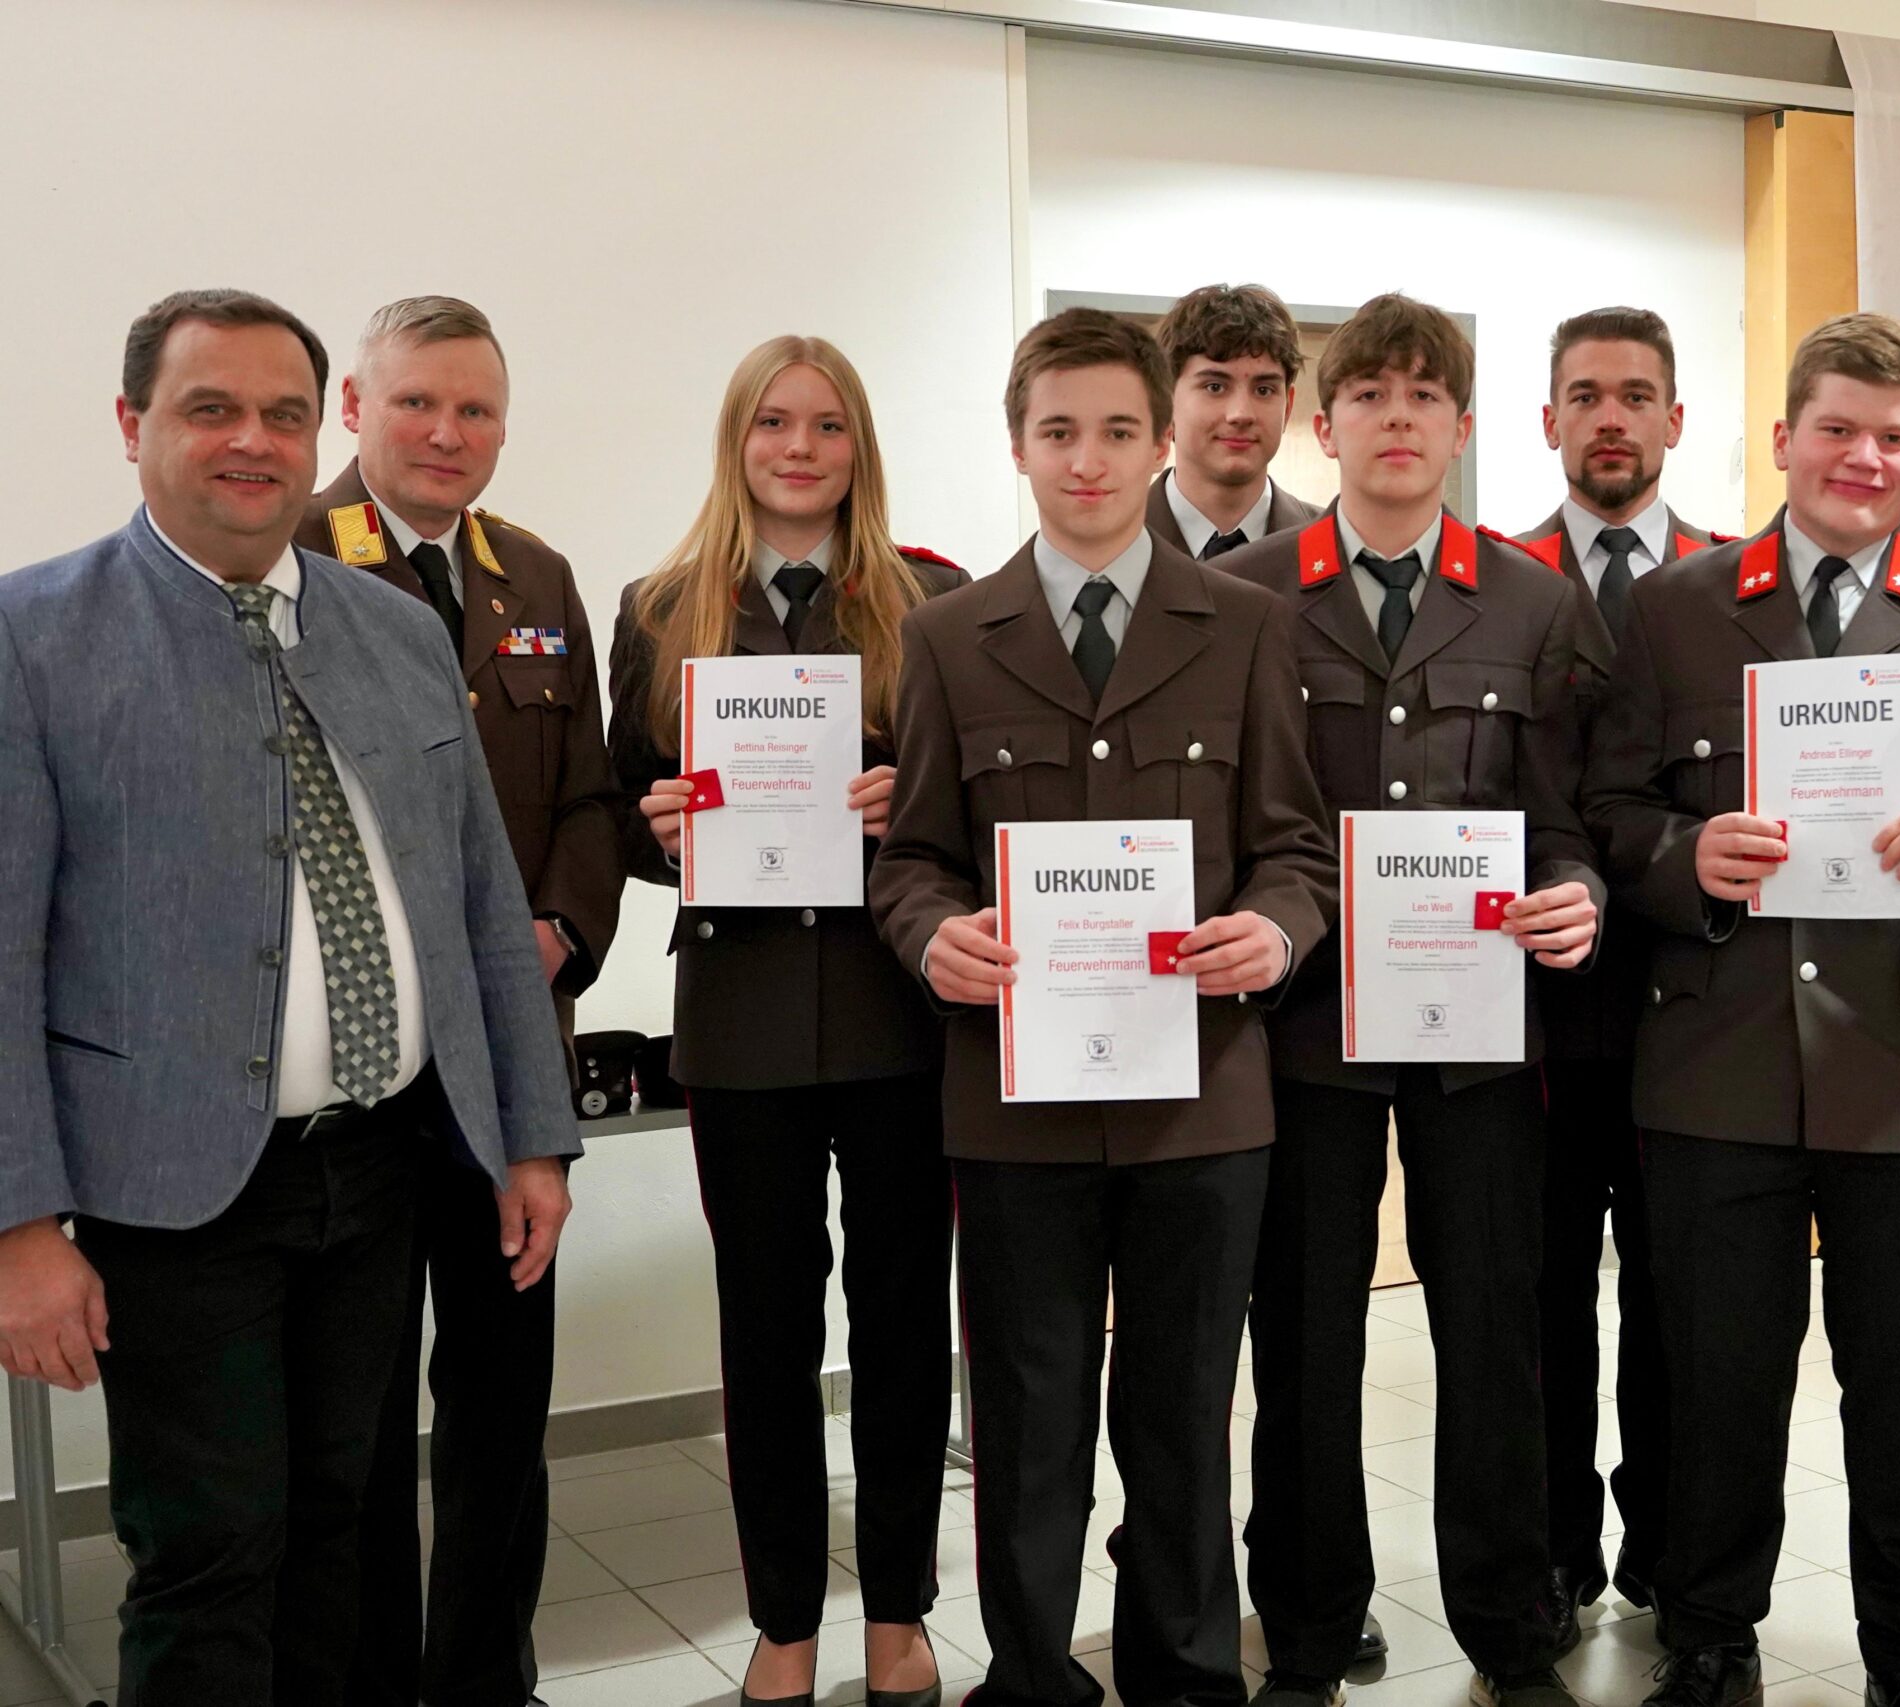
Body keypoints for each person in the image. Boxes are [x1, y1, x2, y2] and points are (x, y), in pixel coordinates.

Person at [0, 288, 576, 1702]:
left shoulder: (395, 631)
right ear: (133, 424)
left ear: (320, 429)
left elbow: (481, 906)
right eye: (211, 409)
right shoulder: (33, 635)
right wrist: (16, 1224)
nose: (252, 440)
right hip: (173, 1188)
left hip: (375, 1171)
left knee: (341, 1533)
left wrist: (532, 1135)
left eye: (281, 412)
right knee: (210, 1553)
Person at [1581, 312, 1900, 1707]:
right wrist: (1685, 855)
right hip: (1718, 1060)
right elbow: (1608, 807)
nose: (1863, 457)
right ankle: (1709, 1637)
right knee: (1716, 1384)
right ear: (1783, 438)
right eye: (1836, 429)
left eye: (1894, 436)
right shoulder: (1675, 606)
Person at [872, 306, 1334, 1707]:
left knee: (1184, 1416)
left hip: (1201, 1098)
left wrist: (1276, 928)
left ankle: (1186, 1674)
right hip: (1016, 1104)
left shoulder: (1247, 625)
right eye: (1059, 430)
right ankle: (1029, 1676)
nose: (1089, 459)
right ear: (1017, 444)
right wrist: (934, 936)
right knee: (1029, 1421)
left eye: (1118, 430)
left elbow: (1294, 847)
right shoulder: (948, 636)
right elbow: (913, 857)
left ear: (1160, 444)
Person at [1217, 291, 1603, 1707]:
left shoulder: (1535, 600)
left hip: (1481, 1033)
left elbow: (1566, 817)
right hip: (1305, 1029)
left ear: (1461, 425)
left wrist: (1575, 892)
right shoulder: (1252, 592)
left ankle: (1510, 1626)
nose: (1396, 418)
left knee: (1495, 1330)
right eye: (1368, 395)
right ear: (1324, 428)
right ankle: (1309, 1633)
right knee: (1305, 1334)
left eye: (1423, 396)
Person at [609, 335, 968, 1707]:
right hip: (743, 1020)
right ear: (737, 440)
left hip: (896, 1017)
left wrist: (906, 802)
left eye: (827, 425)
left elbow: (978, 812)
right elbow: (615, 808)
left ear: (858, 446)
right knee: (763, 1333)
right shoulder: (660, 608)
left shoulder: (931, 600)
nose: (800, 448)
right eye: (774, 422)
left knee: (901, 1325)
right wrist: (655, 829)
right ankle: (782, 1620)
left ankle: (899, 1613)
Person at [295, 294, 621, 1707]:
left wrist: (558, 929)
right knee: (355, 1423)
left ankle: (488, 1675)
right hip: (351, 1079)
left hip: (510, 1067)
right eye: (417, 402)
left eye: (475, 408)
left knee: (499, 1401)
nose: (447, 431)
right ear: (356, 409)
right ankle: (372, 1681)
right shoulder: (286, 555)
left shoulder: (531, 575)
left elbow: (589, 797)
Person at [1509, 306, 1720, 1637]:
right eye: (1585, 394)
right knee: (1539, 1300)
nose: (1610, 417)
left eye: (1636, 394)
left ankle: (1668, 1545)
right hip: (1533, 1009)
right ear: (1548, 421)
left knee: (1681, 1296)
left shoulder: (1736, 583)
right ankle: (1551, 1549)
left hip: (1694, 1001)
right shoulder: (1496, 580)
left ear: (1674, 420)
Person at [1144, 284, 1321, 560]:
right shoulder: (1101, 541)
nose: (1241, 414)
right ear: (1165, 401)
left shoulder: (1334, 546)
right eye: (1215, 387)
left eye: (1264, 390)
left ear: (1287, 408)